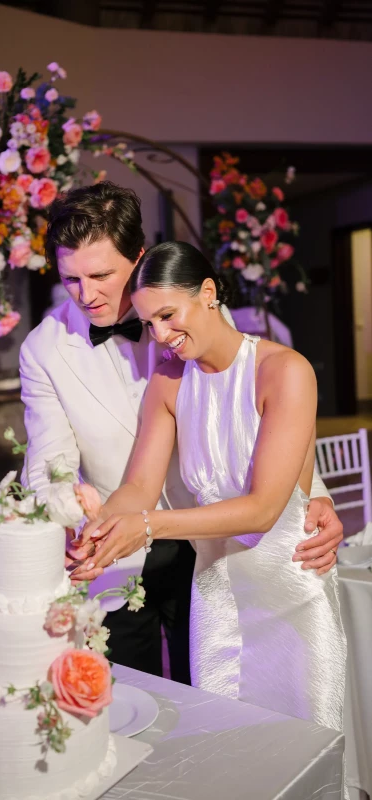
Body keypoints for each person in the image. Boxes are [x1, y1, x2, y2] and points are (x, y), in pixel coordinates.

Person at [19, 182, 343, 685]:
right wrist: (79, 528)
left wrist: (311, 496)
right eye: (71, 279)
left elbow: (259, 408)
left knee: (230, 687)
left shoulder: (193, 305)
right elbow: (48, 463)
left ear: (139, 258)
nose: (87, 295)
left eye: (101, 275)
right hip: (120, 545)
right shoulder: (43, 349)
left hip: (218, 544)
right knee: (133, 697)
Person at [74, 240, 346, 735]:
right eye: (148, 323)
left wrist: (148, 526)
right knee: (227, 745)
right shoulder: (168, 381)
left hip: (290, 597)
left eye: (167, 315)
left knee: (303, 747)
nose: (160, 335)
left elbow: (263, 510)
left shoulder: (285, 371)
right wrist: (101, 530)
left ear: (207, 293)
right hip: (217, 596)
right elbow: (139, 485)